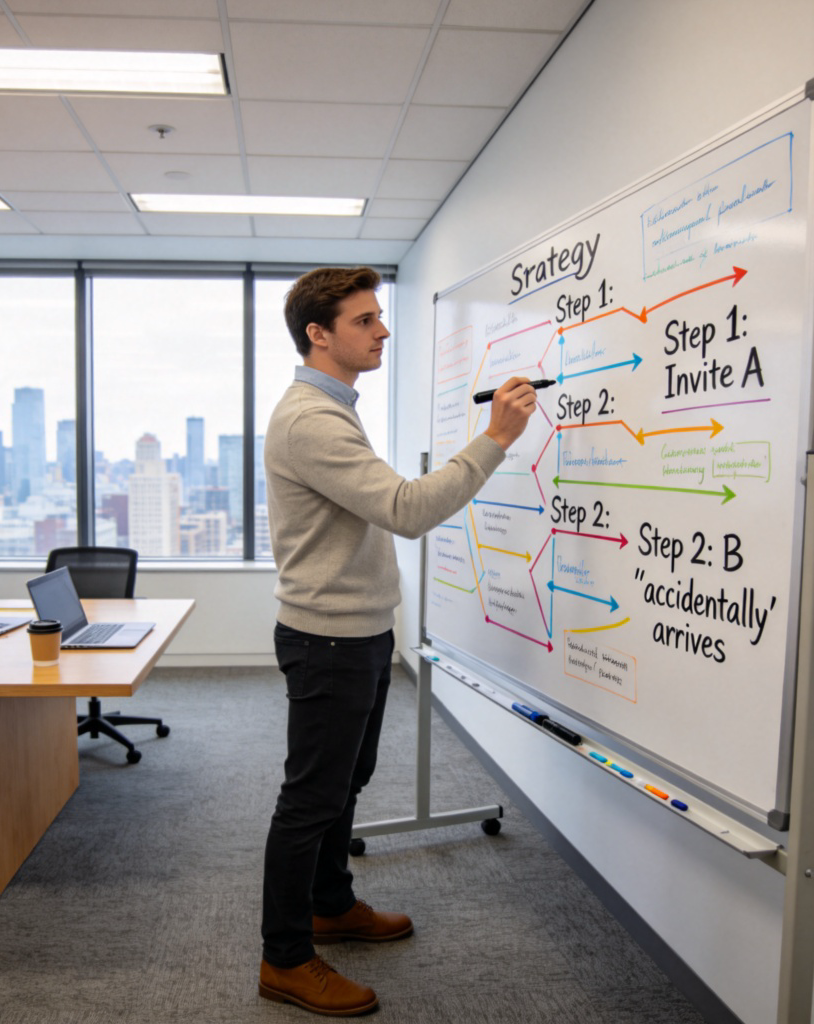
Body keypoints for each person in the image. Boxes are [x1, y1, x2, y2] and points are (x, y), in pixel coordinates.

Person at [257, 266, 538, 1017]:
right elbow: (407, 511)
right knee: (310, 799)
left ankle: (329, 904)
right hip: (330, 641)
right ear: (318, 334)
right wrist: (496, 439)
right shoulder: (311, 420)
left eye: (379, 317)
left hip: (359, 631)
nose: (382, 331)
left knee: (345, 783)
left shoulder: (333, 407)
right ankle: (284, 959)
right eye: (364, 320)